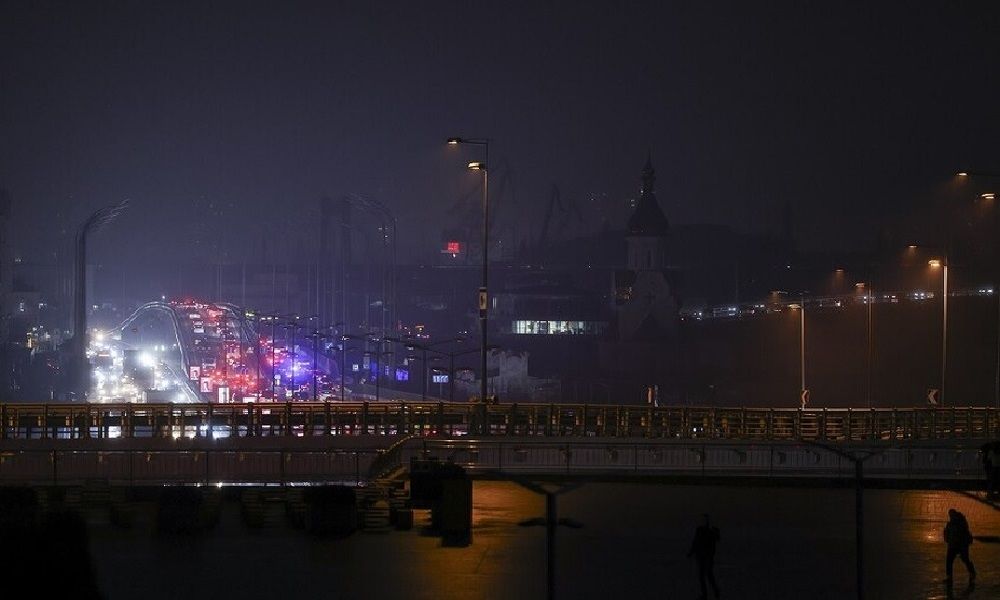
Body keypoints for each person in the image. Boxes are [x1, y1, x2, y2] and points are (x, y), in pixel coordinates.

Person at [688, 513, 721, 600]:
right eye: (704, 520)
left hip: (707, 556)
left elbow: (717, 538)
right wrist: (691, 552)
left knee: (708, 575)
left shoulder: (711, 531)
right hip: (701, 556)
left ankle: (714, 591)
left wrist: (691, 552)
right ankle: (707, 593)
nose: (705, 522)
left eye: (706, 520)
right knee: (703, 576)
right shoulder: (700, 530)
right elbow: (695, 542)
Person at [943, 508, 976, 584]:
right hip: (956, 545)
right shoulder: (954, 523)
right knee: (953, 561)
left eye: (951, 515)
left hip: (959, 545)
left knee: (960, 560)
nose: (950, 516)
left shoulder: (958, 523)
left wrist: (948, 538)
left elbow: (958, 534)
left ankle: (971, 572)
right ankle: (949, 577)